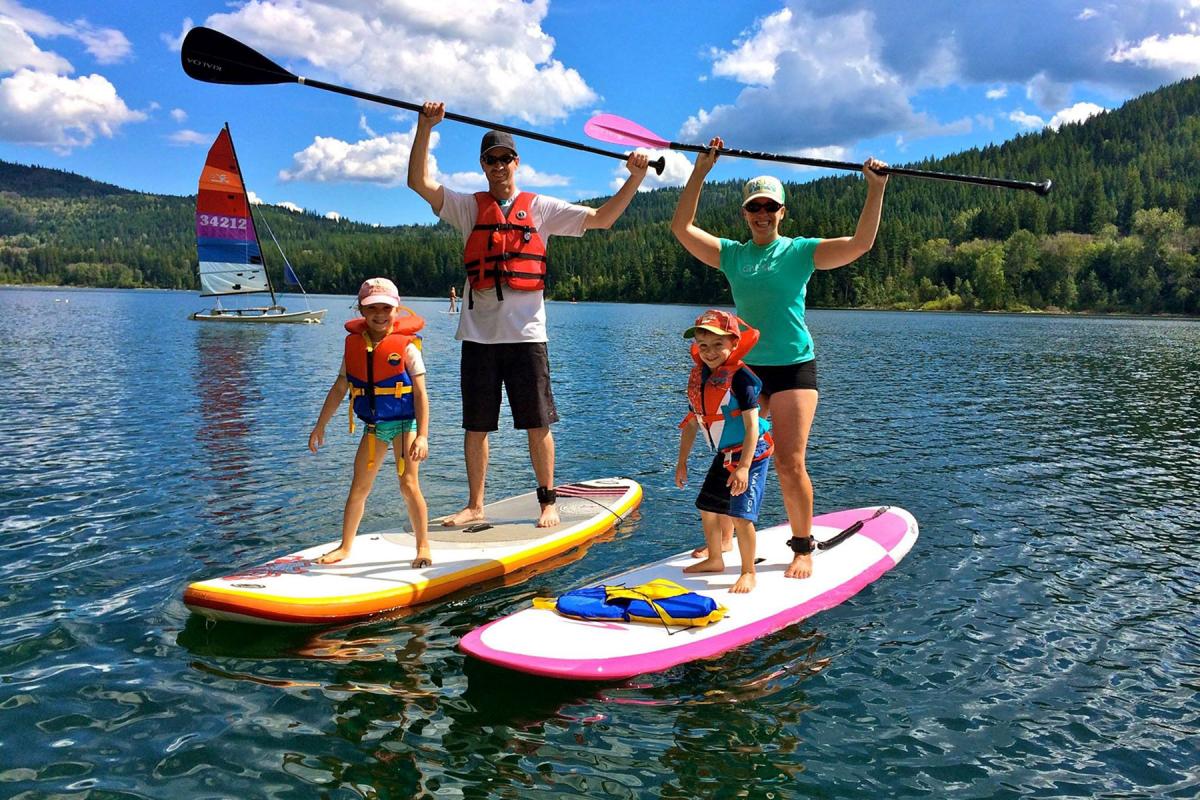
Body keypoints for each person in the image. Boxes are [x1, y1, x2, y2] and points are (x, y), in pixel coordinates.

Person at [407, 100, 650, 528]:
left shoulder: (542, 209)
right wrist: (425, 126)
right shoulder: (468, 207)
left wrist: (634, 178)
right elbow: (418, 181)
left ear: (516, 162)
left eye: (504, 158)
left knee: (538, 424)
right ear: (483, 165)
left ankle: (548, 501)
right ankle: (476, 505)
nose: (498, 166)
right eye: (490, 159)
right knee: (476, 426)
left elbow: (603, 219)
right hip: (479, 338)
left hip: (526, 339)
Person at [671, 137, 888, 580]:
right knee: (733, 453)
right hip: (747, 369)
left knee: (788, 461)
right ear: (746, 213)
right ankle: (724, 537)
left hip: (792, 367)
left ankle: (802, 545)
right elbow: (681, 227)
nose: (762, 215)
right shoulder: (732, 254)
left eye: (771, 208)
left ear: (782, 212)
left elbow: (861, 243)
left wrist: (875, 188)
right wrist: (700, 170)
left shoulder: (800, 251)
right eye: (755, 208)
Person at [308, 278, 430, 566]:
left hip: (404, 426)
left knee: (409, 485)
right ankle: (345, 546)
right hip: (374, 427)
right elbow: (340, 387)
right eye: (372, 307)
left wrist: (423, 436)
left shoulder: (408, 348)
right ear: (361, 312)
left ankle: (423, 546)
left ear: (396, 310)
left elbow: (422, 395)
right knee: (359, 487)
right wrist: (320, 424)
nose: (379, 313)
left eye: (386, 307)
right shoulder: (354, 348)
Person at [675, 309, 773, 594]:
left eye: (718, 344)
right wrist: (682, 463)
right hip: (725, 454)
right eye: (703, 345)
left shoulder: (740, 379)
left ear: (733, 342)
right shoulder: (700, 377)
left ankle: (748, 572)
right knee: (707, 506)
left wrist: (744, 467)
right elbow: (692, 423)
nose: (710, 352)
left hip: (751, 455)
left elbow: (752, 427)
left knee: (741, 517)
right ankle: (715, 559)